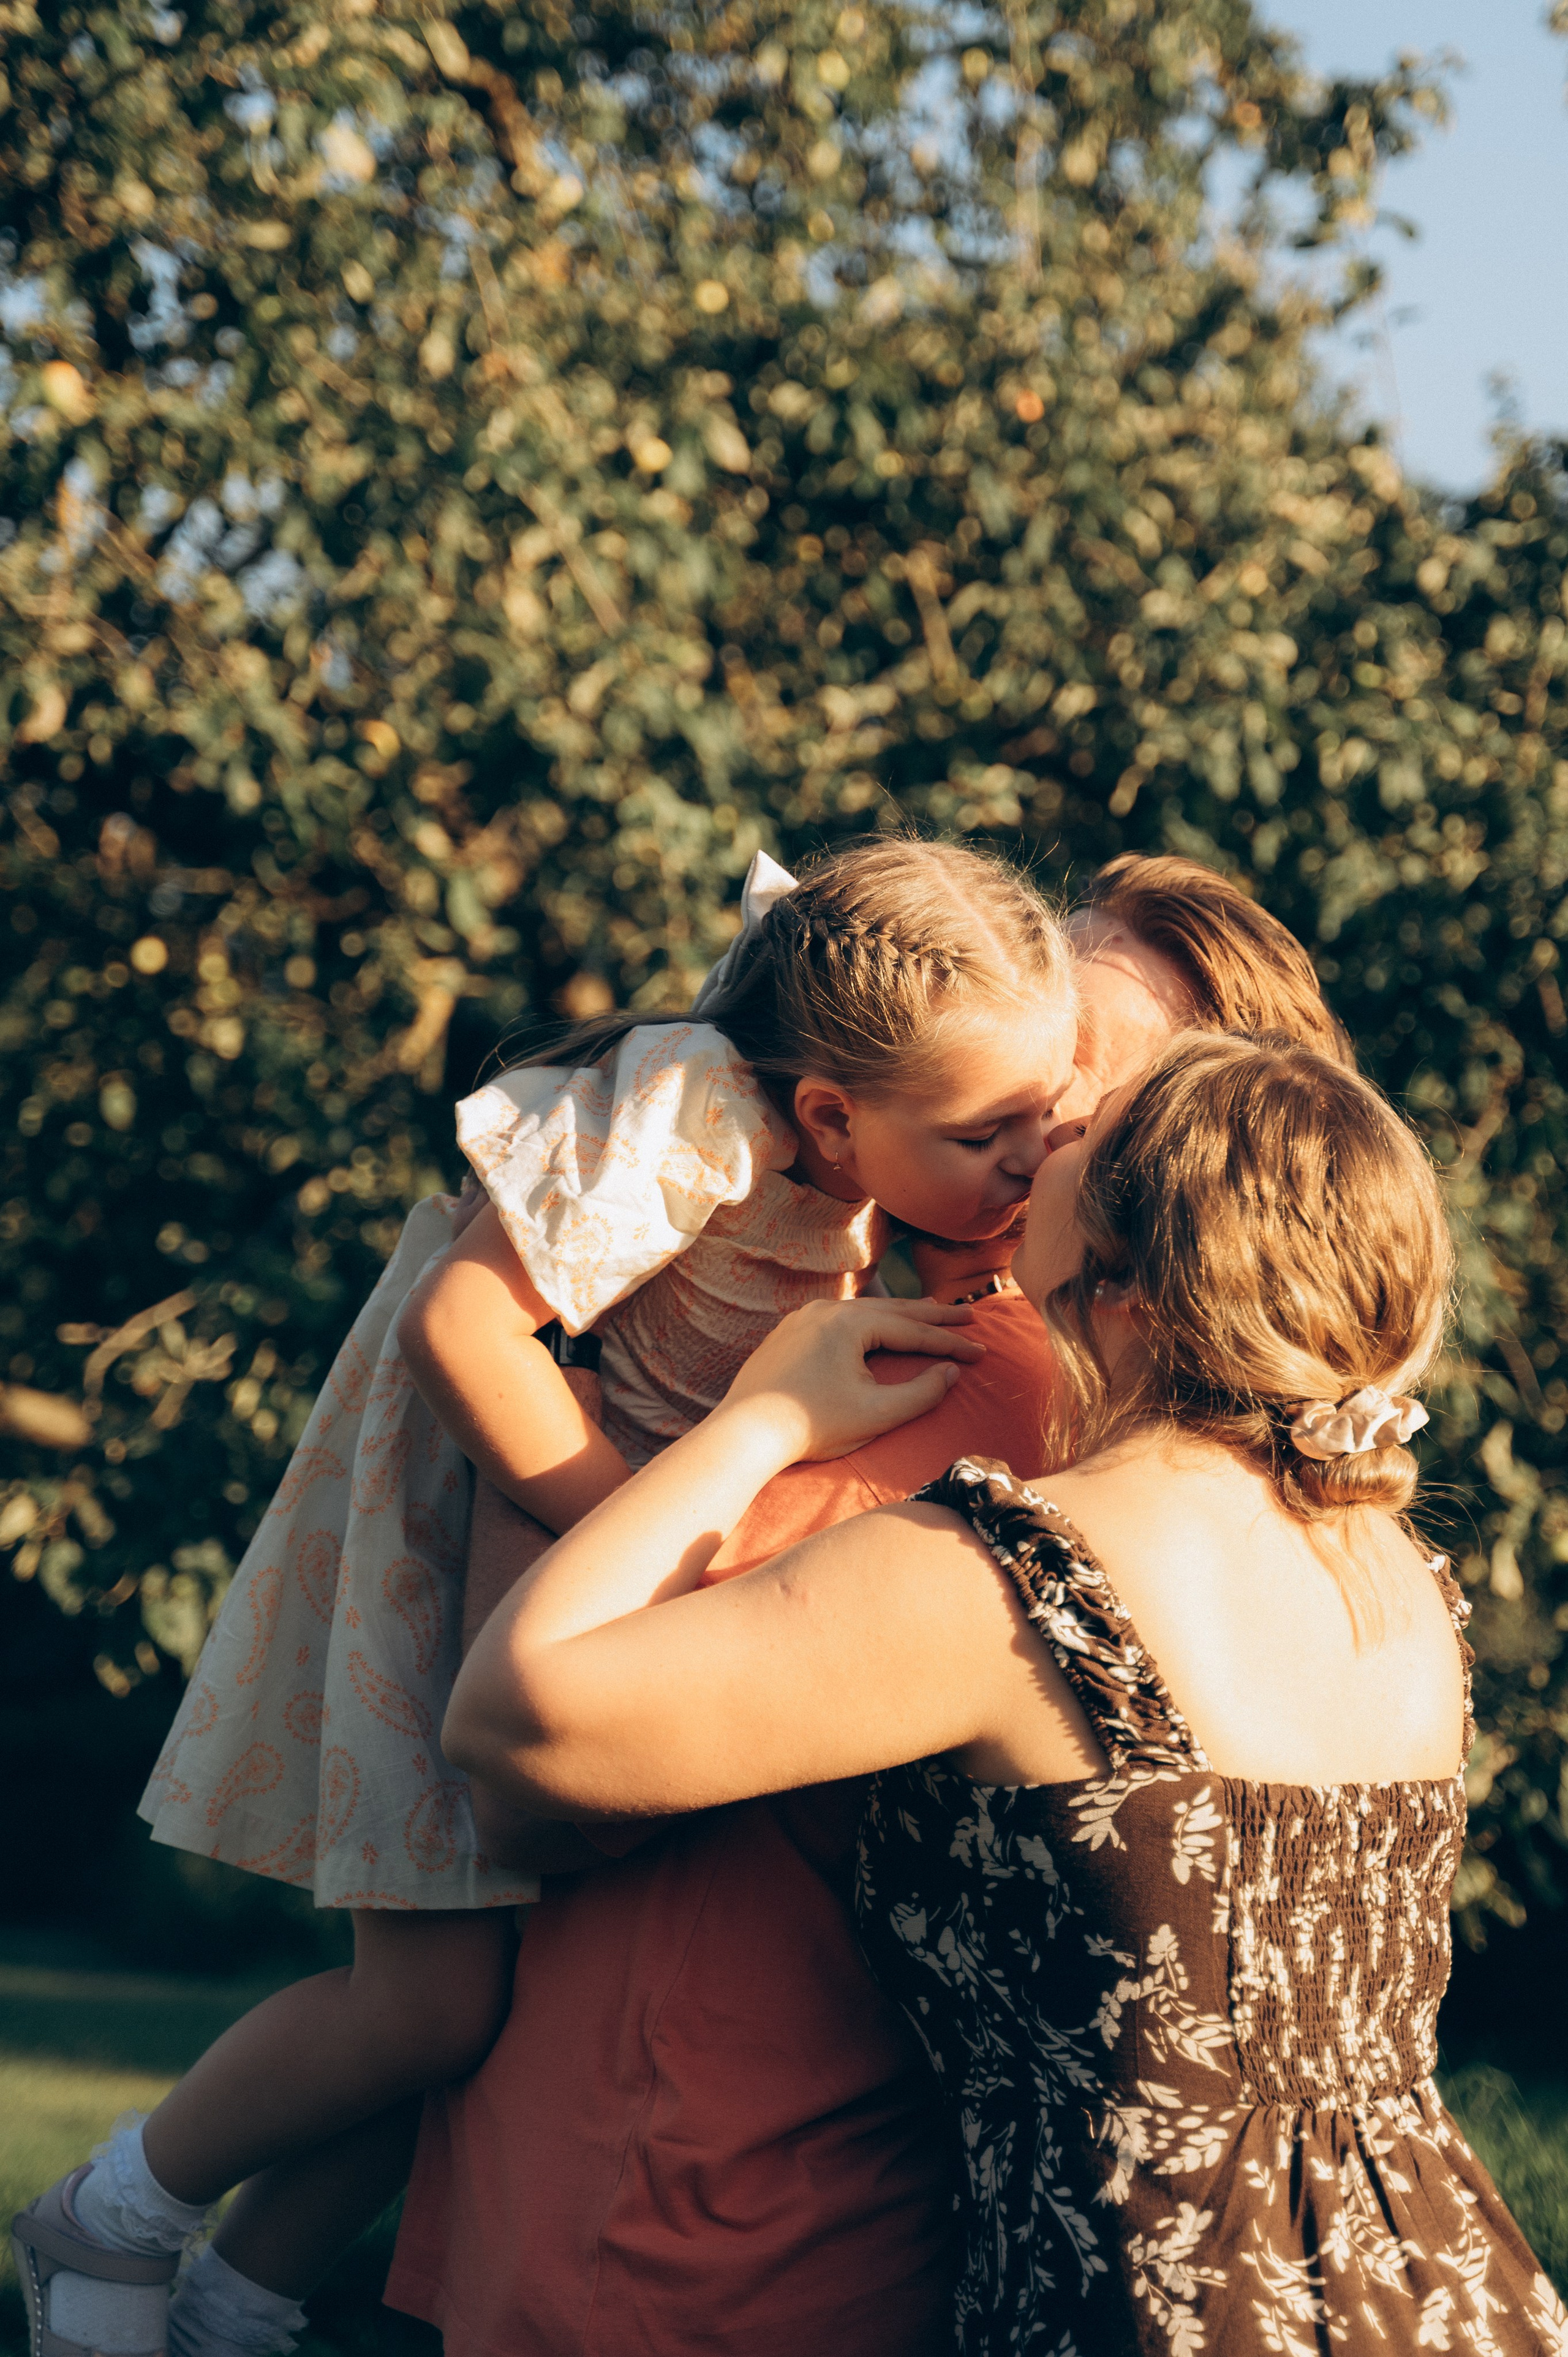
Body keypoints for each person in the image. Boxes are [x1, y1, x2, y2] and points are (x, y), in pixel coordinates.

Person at [12, 837, 1076, 2357]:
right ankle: (114, 2211)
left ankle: (235, 2307)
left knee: (477, 2015)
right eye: (996, 1130)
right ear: (835, 1113)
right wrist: (625, 1538)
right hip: (478, 1528)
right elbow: (466, 1325)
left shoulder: (861, 1176)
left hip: (585, 1540)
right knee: (434, 2004)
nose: (1032, 1157)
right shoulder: (698, 1115)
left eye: (1050, 1118)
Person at [445, 1030, 1568, 2353]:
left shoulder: (1020, 1577)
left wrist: (762, 1419)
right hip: (1451, 2295)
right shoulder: (1399, 1579)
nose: (1045, 1135)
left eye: (1089, 1129)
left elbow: (515, 1721)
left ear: (1138, 1277)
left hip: (1162, 2312)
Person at [386, 856, 1362, 2357]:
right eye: (1006, 1100)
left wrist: (672, 1438)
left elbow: (534, 1773)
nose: (1029, 1145)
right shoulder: (1248, 1467)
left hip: (683, 2187)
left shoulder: (945, 1376)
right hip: (750, 2171)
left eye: (1074, 1112)